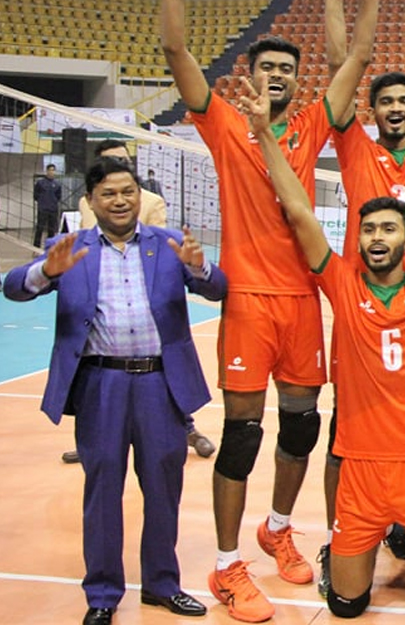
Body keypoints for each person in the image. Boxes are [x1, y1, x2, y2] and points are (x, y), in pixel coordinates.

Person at [161, 0, 366, 618]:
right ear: (248, 74)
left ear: (297, 81)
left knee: (302, 427)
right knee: (242, 435)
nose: (277, 74)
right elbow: (176, 49)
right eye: (267, 66)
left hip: (302, 299)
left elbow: (356, 60)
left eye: (286, 69)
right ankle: (227, 565)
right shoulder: (225, 124)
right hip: (250, 301)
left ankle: (277, 528)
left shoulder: (309, 124)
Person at [244, 74, 405, 622]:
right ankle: (353, 542)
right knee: (346, 607)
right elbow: (299, 210)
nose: (377, 238)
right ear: (358, 237)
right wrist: (264, 135)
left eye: (389, 229)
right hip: (361, 474)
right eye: (369, 230)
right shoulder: (343, 283)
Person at [3, 158, 227, 625]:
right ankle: (103, 594)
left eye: (128, 191)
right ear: (90, 200)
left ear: (140, 196)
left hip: (160, 383)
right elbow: (14, 288)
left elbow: (219, 289)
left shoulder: (169, 245)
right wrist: (46, 271)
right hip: (100, 384)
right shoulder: (69, 248)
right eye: (109, 193)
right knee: (103, 488)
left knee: (163, 487)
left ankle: (162, 585)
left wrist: (201, 267)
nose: (121, 201)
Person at [64, 140, 215, 463]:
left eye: (123, 160)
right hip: (101, 318)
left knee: (161, 459)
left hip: (147, 309)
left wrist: (191, 266)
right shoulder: (85, 206)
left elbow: (161, 247)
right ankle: (94, 440)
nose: (119, 198)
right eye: (111, 161)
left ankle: (186, 427)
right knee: (102, 461)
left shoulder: (153, 204)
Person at [33, 163, 62, 248]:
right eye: (50, 170)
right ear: (47, 171)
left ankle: (50, 247)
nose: (52, 172)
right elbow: (36, 195)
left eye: (53, 170)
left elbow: (58, 196)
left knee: (51, 229)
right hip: (43, 209)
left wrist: (53, 202)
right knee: (40, 228)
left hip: (53, 209)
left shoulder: (57, 184)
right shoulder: (40, 183)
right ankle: (36, 247)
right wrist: (42, 202)